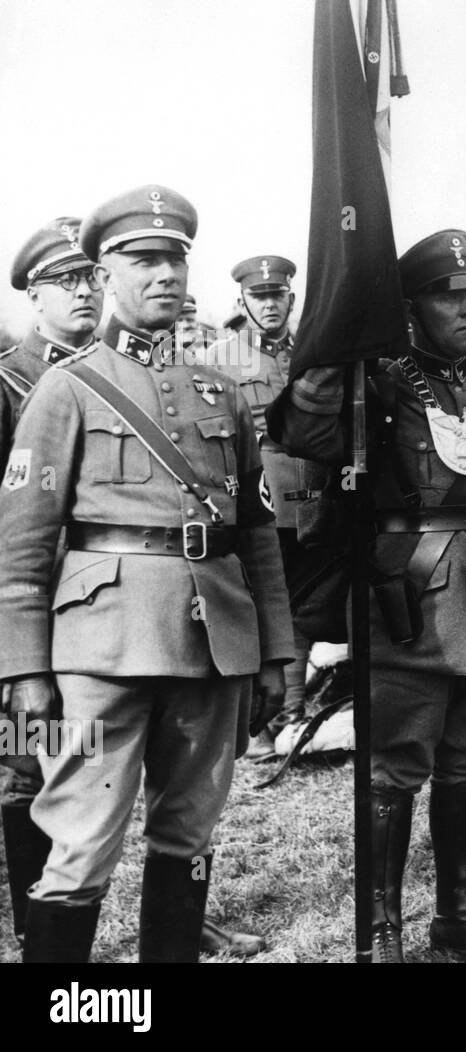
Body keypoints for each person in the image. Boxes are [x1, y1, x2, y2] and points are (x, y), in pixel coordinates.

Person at [0, 185, 292, 963]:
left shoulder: (220, 391)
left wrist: (277, 652)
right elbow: (24, 547)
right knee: (81, 843)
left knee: (189, 831)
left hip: (213, 642)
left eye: (174, 258)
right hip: (102, 648)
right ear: (103, 275)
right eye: (143, 259)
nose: (164, 273)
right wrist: (26, 668)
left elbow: (257, 533)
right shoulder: (66, 389)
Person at [269, 228, 466, 963]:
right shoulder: (378, 386)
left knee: (465, 766)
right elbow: (303, 429)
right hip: (412, 603)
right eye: (449, 298)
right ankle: (381, 935)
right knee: (394, 770)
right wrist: (341, 339)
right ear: (411, 307)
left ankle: (457, 921)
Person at [1, 217, 103, 947]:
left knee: (103, 758)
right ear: (33, 297)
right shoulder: (10, 379)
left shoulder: (115, 372)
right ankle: (36, 924)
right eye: (65, 282)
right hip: (29, 596)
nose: (84, 292)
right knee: (27, 762)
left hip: (100, 598)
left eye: (91, 277)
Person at [204, 256, 314, 761]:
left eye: (279, 295)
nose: (271, 304)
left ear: (291, 298)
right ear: (242, 302)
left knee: (304, 606)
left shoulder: (311, 350)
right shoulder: (222, 356)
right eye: (260, 296)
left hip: (314, 490)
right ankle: (261, 724)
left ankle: (293, 716)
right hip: (258, 491)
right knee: (258, 604)